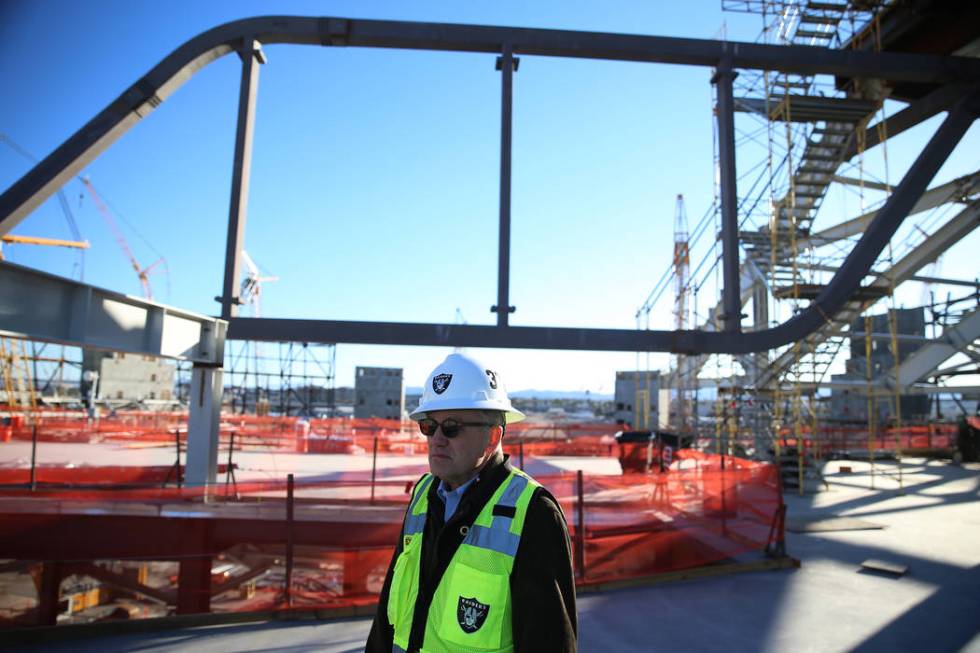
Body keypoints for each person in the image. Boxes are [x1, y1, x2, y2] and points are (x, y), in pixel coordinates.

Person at [366, 352, 577, 653]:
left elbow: (550, 642)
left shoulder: (534, 513)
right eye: (429, 426)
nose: (437, 438)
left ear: (492, 438)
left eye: (451, 427)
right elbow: (387, 619)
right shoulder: (423, 494)